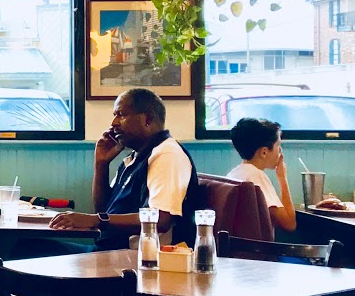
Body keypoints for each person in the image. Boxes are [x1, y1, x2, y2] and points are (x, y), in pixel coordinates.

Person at [50, 88, 203, 251]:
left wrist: (94, 220)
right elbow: (104, 211)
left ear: (147, 119)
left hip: (138, 260)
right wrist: (101, 164)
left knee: (32, 249)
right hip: (110, 251)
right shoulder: (134, 158)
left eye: (121, 115)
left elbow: (160, 220)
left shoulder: (166, 154)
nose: (113, 123)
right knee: (30, 246)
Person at [225, 118, 297, 232]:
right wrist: (282, 178)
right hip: (258, 248)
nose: (280, 152)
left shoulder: (234, 173)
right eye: (278, 146)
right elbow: (289, 223)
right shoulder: (256, 177)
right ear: (264, 152)